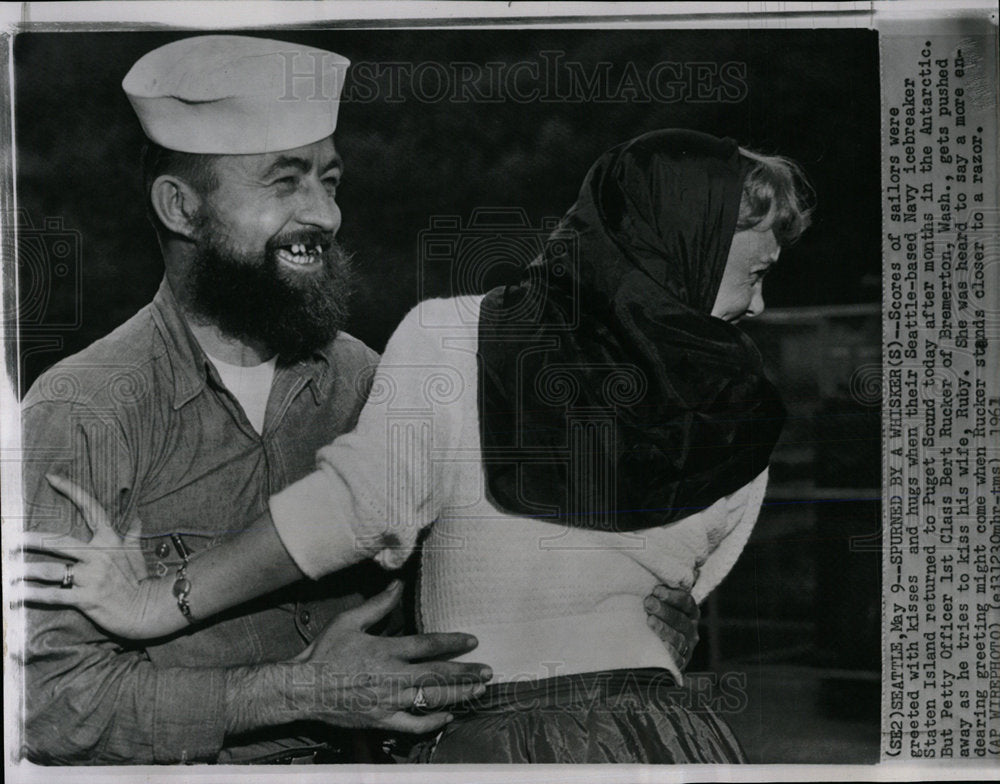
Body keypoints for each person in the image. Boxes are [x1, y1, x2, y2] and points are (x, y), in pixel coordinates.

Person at [20, 58, 808, 763]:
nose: (326, 215)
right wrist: (294, 692)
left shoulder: (373, 375)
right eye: (285, 182)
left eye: (330, 181)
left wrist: (640, 622)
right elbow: (48, 708)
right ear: (179, 207)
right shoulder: (85, 411)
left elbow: (490, 579)